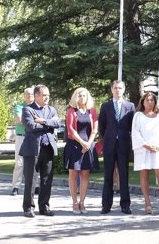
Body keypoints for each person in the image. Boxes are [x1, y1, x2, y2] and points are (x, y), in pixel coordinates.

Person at [21, 84, 61, 217]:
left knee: (46, 180)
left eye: (48, 95)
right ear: (36, 95)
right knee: (31, 180)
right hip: (32, 149)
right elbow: (31, 126)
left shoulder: (52, 110)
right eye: (44, 95)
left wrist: (43, 121)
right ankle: (28, 207)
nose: (47, 97)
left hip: (48, 148)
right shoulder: (28, 109)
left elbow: (57, 123)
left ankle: (44, 207)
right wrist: (48, 125)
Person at [98, 80, 135, 214]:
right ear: (111, 89)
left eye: (120, 88)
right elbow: (101, 126)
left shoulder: (130, 106)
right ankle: (106, 205)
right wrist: (109, 137)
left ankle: (125, 204)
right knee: (108, 175)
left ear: (124, 90)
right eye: (115, 88)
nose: (118, 90)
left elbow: (133, 126)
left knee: (124, 175)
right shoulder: (105, 106)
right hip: (109, 144)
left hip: (124, 145)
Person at [132, 92, 159, 214]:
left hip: (158, 149)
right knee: (144, 174)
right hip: (143, 149)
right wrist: (146, 145)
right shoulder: (138, 116)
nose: (150, 102)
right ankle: (147, 203)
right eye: (147, 100)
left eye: (152, 100)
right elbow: (135, 132)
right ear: (143, 102)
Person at [64, 87, 99, 215]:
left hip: (87, 146)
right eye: (79, 95)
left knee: (85, 174)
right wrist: (82, 142)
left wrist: (88, 143)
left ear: (87, 97)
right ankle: (74, 202)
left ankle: (82, 202)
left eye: (84, 96)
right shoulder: (71, 111)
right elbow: (71, 130)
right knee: (73, 174)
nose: (81, 98)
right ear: (75, 97)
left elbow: (95, 129)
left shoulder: (92, 111)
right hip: (74, 145)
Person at [11, 87, 35, 196]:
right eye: (27, 94)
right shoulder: (19, 107)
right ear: (24, 95)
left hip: (34, 136)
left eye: (31, 94)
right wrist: (33, 120)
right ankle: (16, 186)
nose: (29, 96)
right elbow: (19, 120)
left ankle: (36, 185)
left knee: (35, 161)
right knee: (19, 162)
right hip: (22, 136)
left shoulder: (37, 106)